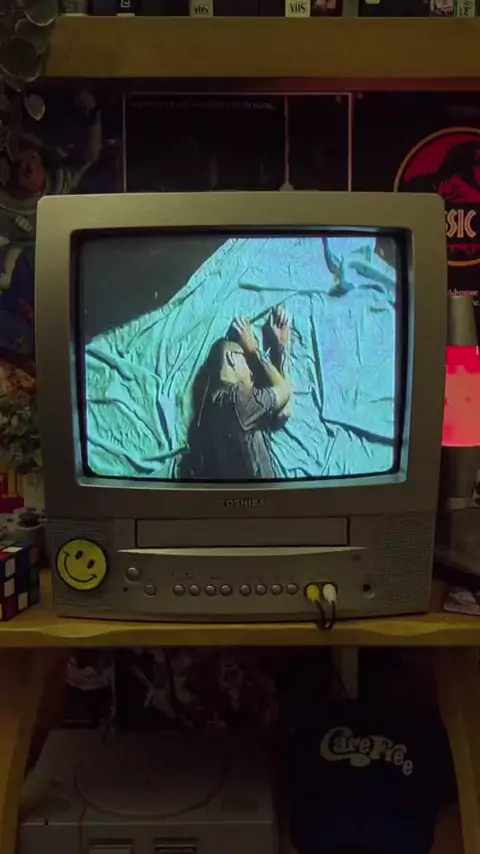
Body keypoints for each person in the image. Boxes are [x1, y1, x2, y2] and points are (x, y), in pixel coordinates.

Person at [182, 306, 292, 480]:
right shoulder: (237, 401)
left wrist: (280, 350)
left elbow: (283, 412)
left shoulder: (214, 408)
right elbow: (284, 391)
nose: (251, 373)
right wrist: (254, 351)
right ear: (232, 358)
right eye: (246, 362)